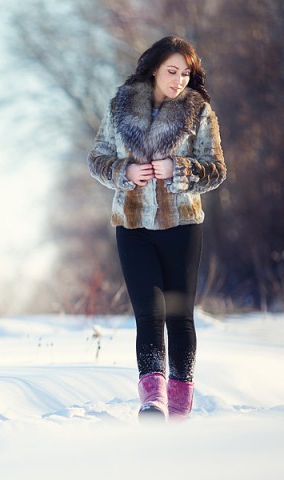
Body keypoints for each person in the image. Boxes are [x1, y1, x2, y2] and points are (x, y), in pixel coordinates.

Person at [87, 36, 226, 421]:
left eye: (186, 73)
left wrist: (180, 169)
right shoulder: (119, 108)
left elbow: (217, 169)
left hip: (182, 225)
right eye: (172, 71)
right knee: (148, 314)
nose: (179, 80)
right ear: (153, 68)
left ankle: (179, 405)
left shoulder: (199, 113)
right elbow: (97, 158)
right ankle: (153, 400)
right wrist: (124, 171)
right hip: (132, 226)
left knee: (179, 316)